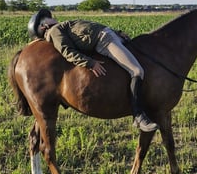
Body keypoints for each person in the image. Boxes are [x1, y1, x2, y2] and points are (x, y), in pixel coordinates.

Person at [27, 9, 158, 132]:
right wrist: (90, 63)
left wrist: (117, 33)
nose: (51, 18)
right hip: (105, 40)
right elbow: (67, 51)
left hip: (110, 35)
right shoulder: (54, 31)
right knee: (136, 71)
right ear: (43, 27)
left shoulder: (61, 26)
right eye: (46, 19)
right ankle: (139, 116)